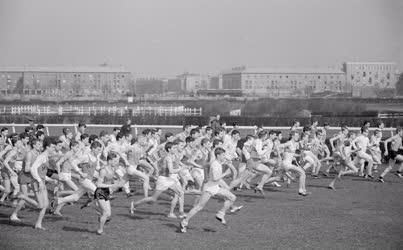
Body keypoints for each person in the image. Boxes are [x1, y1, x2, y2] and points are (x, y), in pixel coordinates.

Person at [180, 147, 237, 233]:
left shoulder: (218, 163)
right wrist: (225, 173)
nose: (224, 156)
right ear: (218, 155)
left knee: (232, 197)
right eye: (223, 155)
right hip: (209, 189)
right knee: (199, 207)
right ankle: (184, 222)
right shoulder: (215, 164)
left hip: (215, 187)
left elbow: (206, 166)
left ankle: (220, 214)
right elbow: (215, 178)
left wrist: (227, 165)